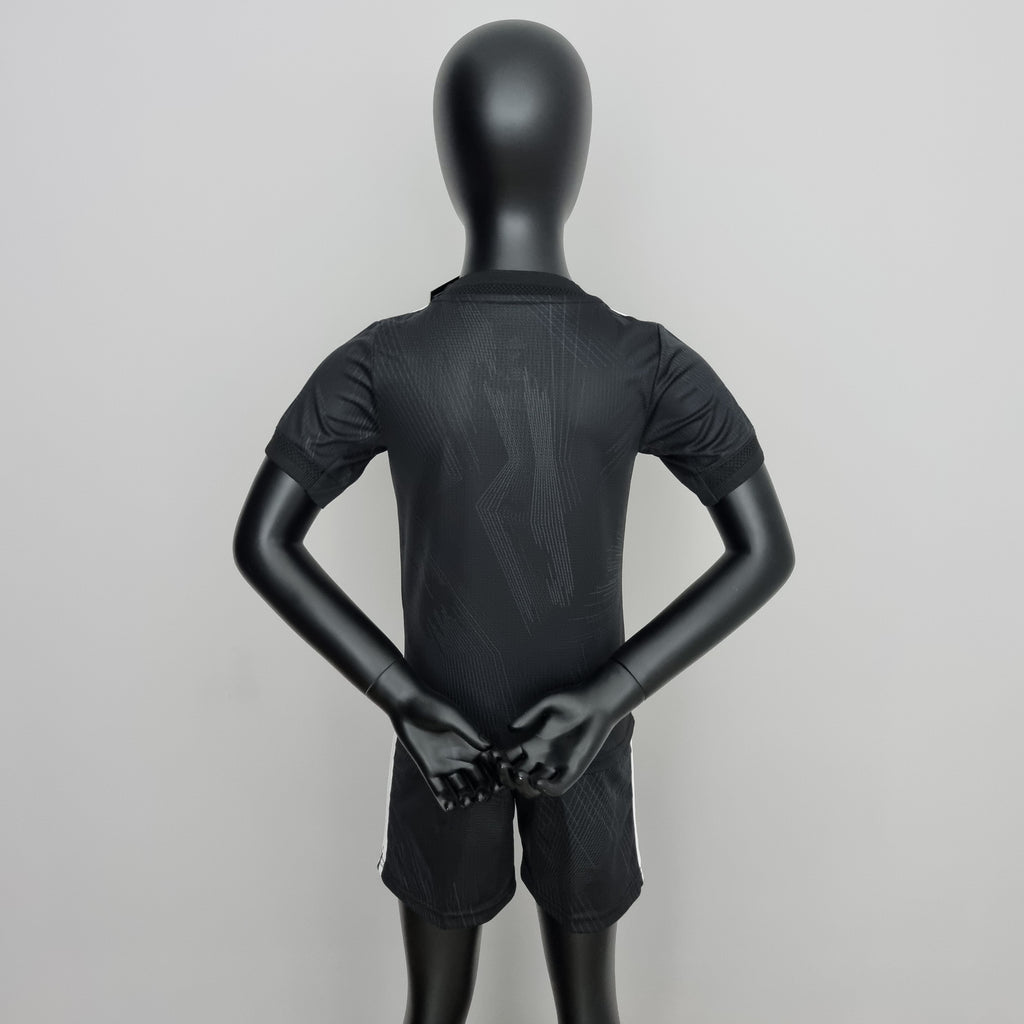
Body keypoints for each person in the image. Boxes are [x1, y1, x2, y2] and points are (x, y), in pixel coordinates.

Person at [233, 18, 795, 1024]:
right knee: (591, 1009)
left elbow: (263, 539)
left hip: (439, 739)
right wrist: (606, 697)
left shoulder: (386, 360)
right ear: (575, 164)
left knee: (434, 1010)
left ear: (452, 166)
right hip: (577, 742)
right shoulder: (643, 360)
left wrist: (406, 700)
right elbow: (764, 551)